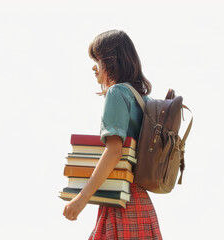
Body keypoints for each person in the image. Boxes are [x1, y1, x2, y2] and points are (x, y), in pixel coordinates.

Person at [63, 30, 163, 239]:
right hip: (140, 203)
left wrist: (81, 198)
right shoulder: (145, 99)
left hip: (122, 204)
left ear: (111, 61)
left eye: (97, 59)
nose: (93, 67)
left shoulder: (117, 93)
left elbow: (114, 150)